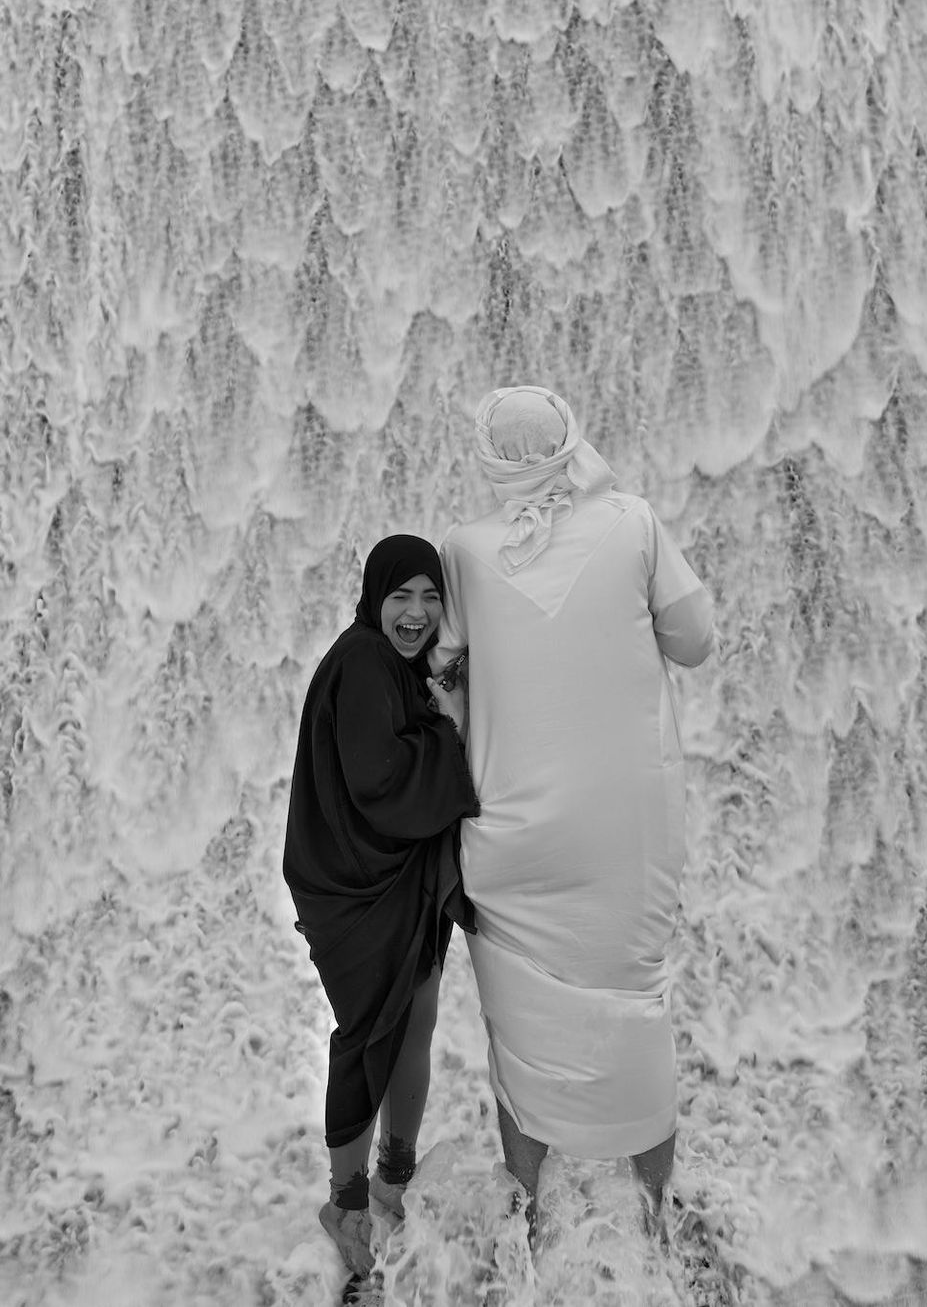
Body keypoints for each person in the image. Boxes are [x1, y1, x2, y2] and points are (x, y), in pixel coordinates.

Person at [428, 386, 713, 1240]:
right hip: (624, 832)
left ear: (488, 460)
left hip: (512, 832)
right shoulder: (631, 522)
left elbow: (440, 669)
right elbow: (695, 641)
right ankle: (657, 1214)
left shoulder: (464, 551)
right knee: (635, 1006)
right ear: (569, 445)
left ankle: (526, 1208)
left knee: (517, 1026)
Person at [284, 535, 479, 1279]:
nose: (418, 613)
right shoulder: (364, 659)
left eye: (432, 597)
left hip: (396, 877)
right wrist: (453, 725)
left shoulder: (397, 668)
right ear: (374, 598)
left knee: (417, 1018)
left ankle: (397, 1175)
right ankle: (348, 1203)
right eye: (402, 596)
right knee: (370, 1034)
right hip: (353, 887)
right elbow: (379, 781)